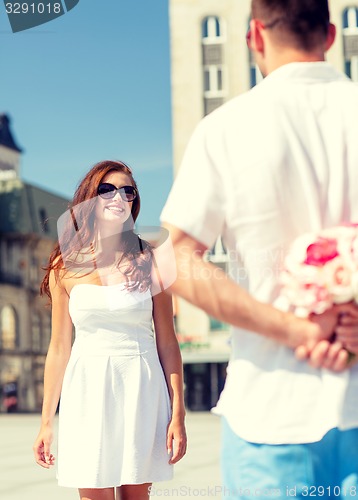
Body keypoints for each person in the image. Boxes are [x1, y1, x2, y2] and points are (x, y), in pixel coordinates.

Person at [160, 0, 358, 497]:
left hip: (271, 411)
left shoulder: (226, 127)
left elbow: (179, 260)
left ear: (254, 37)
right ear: (330, 36)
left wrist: (295, 328)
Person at [33, 160, 187, 500]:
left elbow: (168, 343)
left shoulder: (154, 259)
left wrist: (178, 412)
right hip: (87, 388)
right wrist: (46, 421)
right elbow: (59, 347)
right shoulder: (64, 265)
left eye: (128, 191)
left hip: (140, 386)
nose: (119, 197)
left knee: (136, 496)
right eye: (107, 189)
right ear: (90, 199)